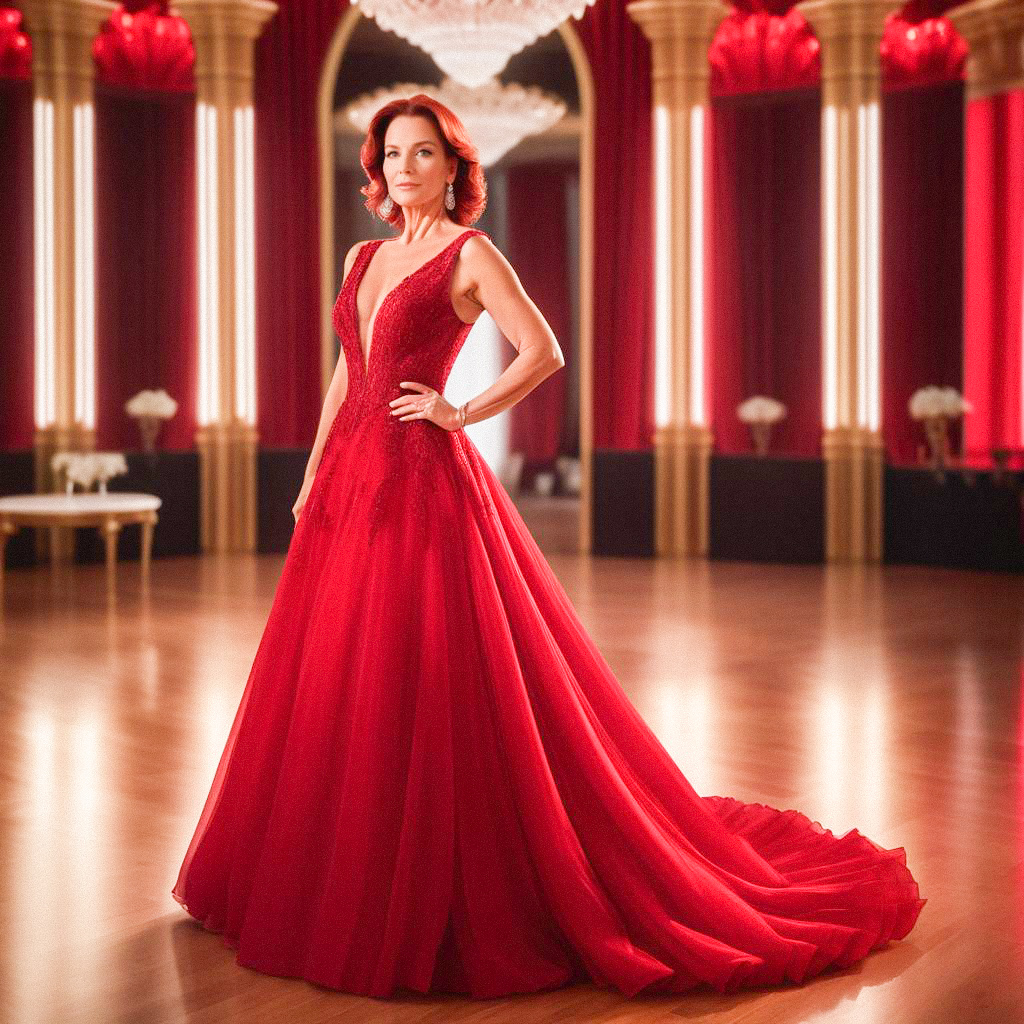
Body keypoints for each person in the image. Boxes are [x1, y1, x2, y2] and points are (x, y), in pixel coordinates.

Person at [171, 96, 925, 1000]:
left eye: (423, 153)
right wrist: (311, 472)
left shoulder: (471, 253)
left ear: (454, 166)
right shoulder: (362, 256)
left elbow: (544, 349)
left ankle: (435, 882)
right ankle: (335, 862)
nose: (404, 167)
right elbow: (348, 368)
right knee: (341, 672)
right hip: (350, 485)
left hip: (421, 479)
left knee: (428, 672)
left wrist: (461, 412)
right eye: (392, 154)